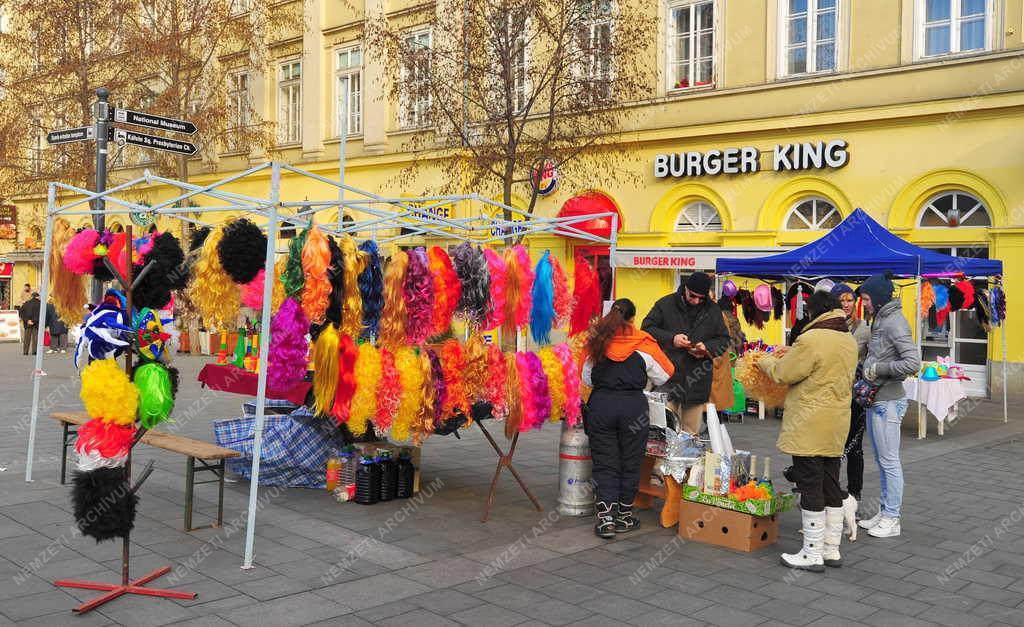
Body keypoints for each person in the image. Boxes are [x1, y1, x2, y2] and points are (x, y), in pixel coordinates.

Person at [757, 290, 858, 571]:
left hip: (810, 422)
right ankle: (831, 549)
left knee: (810, 483)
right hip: (837, 421)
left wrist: (763, 361)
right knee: (830, 483)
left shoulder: (811, 338)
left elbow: (783, 373)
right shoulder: (848, 339)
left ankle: (811, 553)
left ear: (814, 312)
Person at [582, 298, 674, 539]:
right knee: (630, 461)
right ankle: (624, 516)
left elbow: (586, 378)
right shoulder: (644, 342)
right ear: (633, 319)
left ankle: (606, 520)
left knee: (605, 462)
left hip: (602, 406)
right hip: (634, 408)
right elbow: (666, 374)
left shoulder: (597, 340)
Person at [857, 272, 921, 539]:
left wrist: (878, 368)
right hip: (878, 399)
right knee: (883, 461)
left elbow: (913, 362)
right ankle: (885, 512)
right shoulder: (881, 318)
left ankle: (892, 518)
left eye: (867, 299)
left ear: (879, 298)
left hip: (889, 401)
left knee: (890, 461)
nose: (864, 304)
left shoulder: (894, 322)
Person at [642, 272, 731, 435]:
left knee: (690, 435)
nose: (696, 301)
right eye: (693, 296)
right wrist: (672, 338)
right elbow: (647, 329)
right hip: (668, 379)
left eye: (701, 298)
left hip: (697, 381)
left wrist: (706, 348)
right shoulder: (665, 304)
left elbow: (724, 340)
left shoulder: (713, 310)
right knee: (663, 433)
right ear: (686, 289)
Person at [831, 283, 870, 505]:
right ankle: (830, 490)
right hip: (832, 394)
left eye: (849, 300)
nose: (846, 305)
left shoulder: (863, 329)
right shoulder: (828, 326)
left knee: (854, 447)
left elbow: (871, 358)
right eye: (842, 300)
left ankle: (855, 493)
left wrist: (861, 371)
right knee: (831, 445)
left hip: (854, 396)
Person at [19, 291, 41, 356]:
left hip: (27, 323)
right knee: (35, 338)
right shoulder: (40, 304)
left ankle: (25, 351)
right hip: (36, 323)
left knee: (26, 338)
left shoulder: (26, 303)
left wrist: (27, 320)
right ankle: (34, 351)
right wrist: (34, 321)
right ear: (37, 297)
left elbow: (21, 313)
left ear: (32, 296)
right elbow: (40, 314)